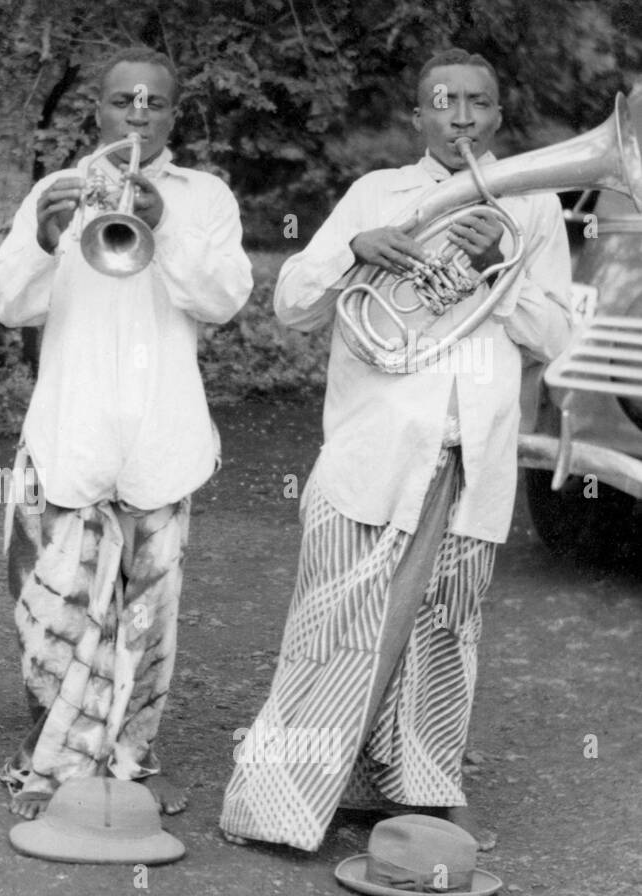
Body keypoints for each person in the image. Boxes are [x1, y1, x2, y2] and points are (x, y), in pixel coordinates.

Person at [219, 49, 572, 852]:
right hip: (374, 452)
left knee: (445, 628)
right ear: (417, 116)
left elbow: (554, 336)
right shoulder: (374, 194)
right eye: (442, 102)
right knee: (332, 623)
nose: (460, 118)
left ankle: (411, 794)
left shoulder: (536, 206)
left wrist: (493, 275)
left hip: (472, 455)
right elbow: (292, 304)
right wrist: (355, 251)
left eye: (477, 103)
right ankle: (276, 802)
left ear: (498, 116)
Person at [0, 47, 254, 819]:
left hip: (162, 435)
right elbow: (6, 302)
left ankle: (132, 760)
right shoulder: (58, 187)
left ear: (174, 113)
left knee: (147, 618)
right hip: (71, 431)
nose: (139, 112)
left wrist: (163, 227)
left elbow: (226, 297)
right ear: (97, 109)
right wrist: (43, 236)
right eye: (122, 100)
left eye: (155, 102)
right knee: (54, 618)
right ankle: (52, 765)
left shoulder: (205, 197)